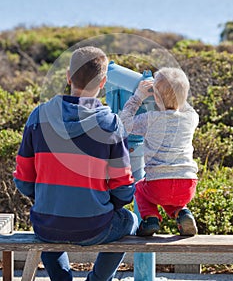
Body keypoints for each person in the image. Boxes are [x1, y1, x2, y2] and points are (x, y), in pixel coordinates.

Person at [14, 46, 138, 281]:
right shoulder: (110, 124)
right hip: (96, 227)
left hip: (47, 225)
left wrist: (50, 196)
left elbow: (23, 181)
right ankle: (98, 279)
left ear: (69, 77)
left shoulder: (38, 117)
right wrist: (102, 204)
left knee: (48, 219)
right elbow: (123, 187)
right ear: (103, 83)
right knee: (130, 220)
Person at [120, 67, 199, 236]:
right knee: (172, 198)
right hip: (187, 185)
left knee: (140, 188)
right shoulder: (191, 118)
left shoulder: (150, 119)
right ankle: (182, 213)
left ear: (155, 97)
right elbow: (183, 104)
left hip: (158, 184)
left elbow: (125, 122)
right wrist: (174, 94)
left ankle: (151, 219)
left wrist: (138, 97)